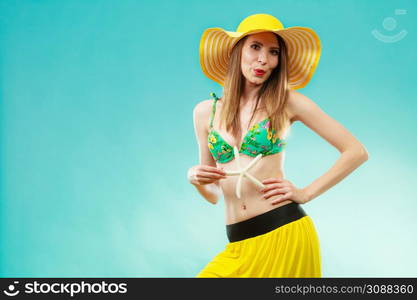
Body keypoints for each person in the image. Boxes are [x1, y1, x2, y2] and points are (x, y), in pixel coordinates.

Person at [188, 13, 369, 278]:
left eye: (273, 52)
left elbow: (356, 151)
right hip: (238, 243)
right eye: (255, 47)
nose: (264, 59)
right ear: (237, 52)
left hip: (285, 235)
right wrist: (195, 178)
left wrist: (306, 193)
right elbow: (214, 194)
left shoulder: (287, 103)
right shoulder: (205, 112)